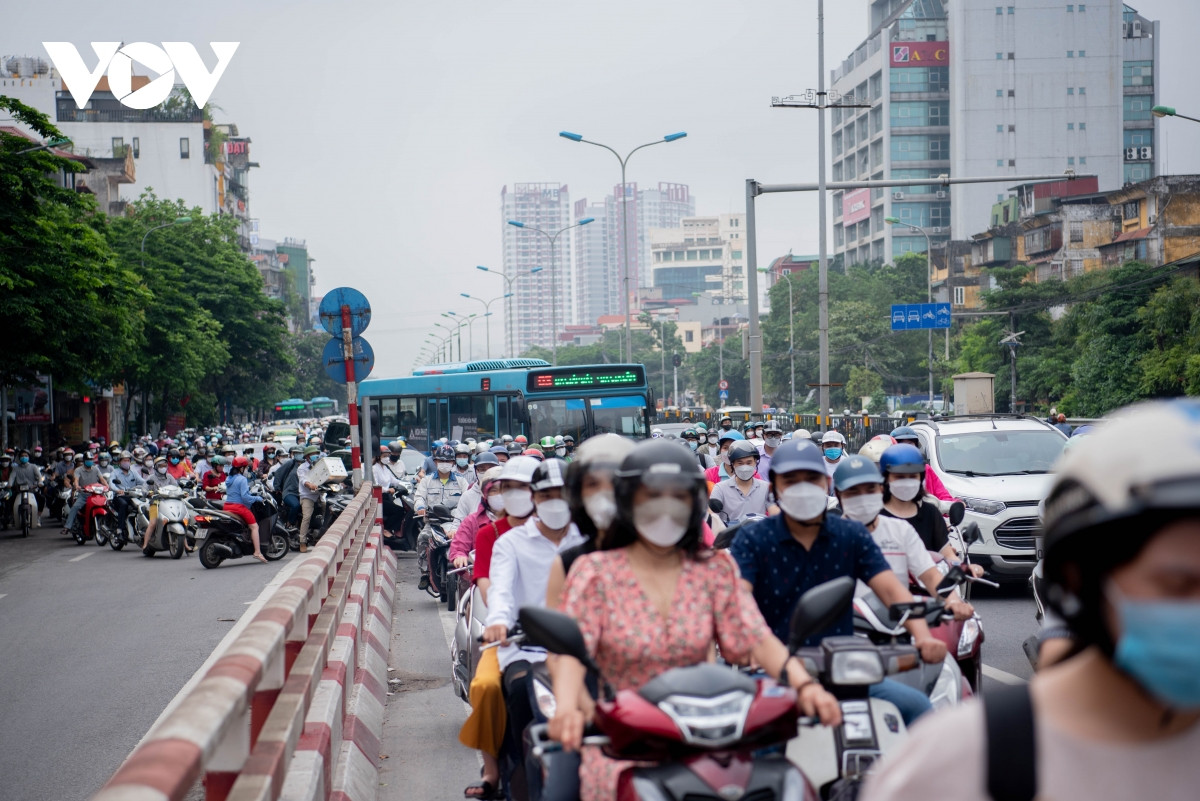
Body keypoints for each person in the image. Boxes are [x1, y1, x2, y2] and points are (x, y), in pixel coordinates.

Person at [862, 399, 1200, 801]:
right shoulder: (956, 765)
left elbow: (936, 564)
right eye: (1178, 584)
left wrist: (957, 584)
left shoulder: (929, 516)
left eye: (913, 475)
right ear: (1081, 579)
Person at [547, 440, 842, 801]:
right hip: (629, 743)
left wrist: (805, 685)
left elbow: (756, 637)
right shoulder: (594, 572)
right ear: (628, 502)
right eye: (652, 495)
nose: (665, 507)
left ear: (694, 504)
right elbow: (570, 651)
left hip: (712, 738)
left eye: (678, 496)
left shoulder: (714, 568)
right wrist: (566, 708)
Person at [730, 438, 947, 726]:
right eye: (791, 480)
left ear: (826, 484)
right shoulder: (753, 539)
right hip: (773, 667)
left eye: (811, 479)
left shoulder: (850, 535)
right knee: (756, 737)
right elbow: (740, 606)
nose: (802, 487)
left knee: (916, 708)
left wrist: (923, 637)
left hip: (841, 667)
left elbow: (893, 592)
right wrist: (754, 648)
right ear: (775, 489)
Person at [483, 459, 583, 797]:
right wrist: (498, 621)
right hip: (525, 647)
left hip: (579, 649)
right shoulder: (509, 543)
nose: (555, 501)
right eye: (547, 494)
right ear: (534, 499)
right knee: (518, 693)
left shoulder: (586, 540)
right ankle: (516, 773)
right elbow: (501, 590)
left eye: (562, 494)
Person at [457, 455, 540, 799]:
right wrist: (502, 621)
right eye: (510, 489)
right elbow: (492, 584)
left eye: (526, 488)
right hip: (512, 634)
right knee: (487, 685)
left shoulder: (567, 535)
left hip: (558, 639)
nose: (516, 495)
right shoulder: (493, 536)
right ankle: (492, 771)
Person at [834, 456, 974, 619]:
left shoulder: (901, 530)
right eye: (853, 491)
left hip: (898, 624)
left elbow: (929, 574)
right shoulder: (828, 536)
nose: (862, 497)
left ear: (880, 488)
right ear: (838, 494)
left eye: (869, 489)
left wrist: (954, 601)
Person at [545, 434, 635, 610]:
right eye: (593, 484)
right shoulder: (567, 563)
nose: (604, 492)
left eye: (615, 483)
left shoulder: (659, 555)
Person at [879, 444, 982, 576]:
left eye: (913, 476)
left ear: (921, 479)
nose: (907, 482)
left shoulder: (930, 513)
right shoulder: (875, 516)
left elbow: (947, 554)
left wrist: (966, 567)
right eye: (900, 477)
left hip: (928, 585)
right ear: (885, 479)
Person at [415, 444, 469, 589]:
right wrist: (420, 507)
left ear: (453, 463)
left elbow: (468, 499)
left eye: (448, 461)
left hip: (455, 523)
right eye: (441, 461)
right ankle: (425, 573)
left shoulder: (461, 481)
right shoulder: (427, 480)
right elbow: (419, 496)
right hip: (433, 523)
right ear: (435, 462)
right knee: (422, 538)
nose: (445, 464)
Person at [448, 467, 505, 571]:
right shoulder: (472, 521)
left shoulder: (519, 520)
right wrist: (459, 556)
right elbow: (460, 543)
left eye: (503, 490)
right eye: (494, 490)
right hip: (478, 575)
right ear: (485, 494)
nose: (499, 495)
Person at [709, 440, 770, 524]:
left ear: (755, 462)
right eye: (740, 463)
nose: (745, 467)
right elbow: (712, 516)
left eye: (749, 463)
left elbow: (774, 510)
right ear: (733, 464)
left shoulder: (766, 487)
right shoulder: (720, 488)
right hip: (730, 535)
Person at [890, 426, 955, 502]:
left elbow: (943, 494)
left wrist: (954, 504)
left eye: (910, 443)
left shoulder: (925, 469)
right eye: (901, 444)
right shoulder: (888, 471)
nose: (906, 448)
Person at [224, 456, 267, 563]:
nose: (247, 469)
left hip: (227, 505)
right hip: (238, 507)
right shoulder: (242, 479)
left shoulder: (229, 478)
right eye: (246, 467)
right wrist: (258, 498)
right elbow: (245, 497)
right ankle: (257, 551)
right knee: (254, 526)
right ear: (242, 468)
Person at [63, 452, 109, 534]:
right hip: (84, 495)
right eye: (88, 460)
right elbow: (76, 480)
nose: (90, 461)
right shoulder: (78, 470)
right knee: (75, 507)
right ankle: (67, 527)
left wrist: (107, 486)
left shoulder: (95, 469)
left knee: (108, 505)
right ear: (84, 460)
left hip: (96, 495)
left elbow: (102, 479)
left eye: (91, 460)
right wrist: (77, 486)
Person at [373, 441, 408, 537]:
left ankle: (395, 530)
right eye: (385, 456)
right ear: (379, 456)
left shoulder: (385, 468)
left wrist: (408, 483)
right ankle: (386, 529)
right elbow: (375, 485)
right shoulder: (375, 468)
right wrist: (387, 490)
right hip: (379, 498)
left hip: (387, 497)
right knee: (398, 511)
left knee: (402, 510)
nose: (387, 458)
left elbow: (394, 481)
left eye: (388, 455)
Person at [108, 451, 147, 534]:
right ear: (120, 462)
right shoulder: (115, 472)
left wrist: (150, 483)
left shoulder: (133, 472)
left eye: (128, 460)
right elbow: (111, 483)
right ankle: (120, 528)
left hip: (132, 496)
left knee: (144, 504)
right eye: (124, 461)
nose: (126, 462)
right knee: (124, 505)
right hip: (119, 496)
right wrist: (117, 490)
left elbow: (142, 481)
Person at [297, 445, 324, 554]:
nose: (315, 456)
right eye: (312, 454)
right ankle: (302, 541)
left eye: (316, 454)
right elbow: (303, 480)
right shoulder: (301, 468)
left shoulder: (320, 465)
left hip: (320, 494)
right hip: (307, 495)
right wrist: (310, 485)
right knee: (307, 517)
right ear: (307, 456)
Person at [5, 449, 43, 527]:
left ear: (29, 457)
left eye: (26, 456)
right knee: (10, 500)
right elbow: (12, 477)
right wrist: (9, 484)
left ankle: (38, 517)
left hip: (31, 489)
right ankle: (12, 517)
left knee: (41, 499)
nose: (24, 457)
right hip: (19, 490)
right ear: (19, 458)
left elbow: (39, 476)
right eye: (22, 456)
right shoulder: (16, 468)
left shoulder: (33, 467)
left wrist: (40, 482)